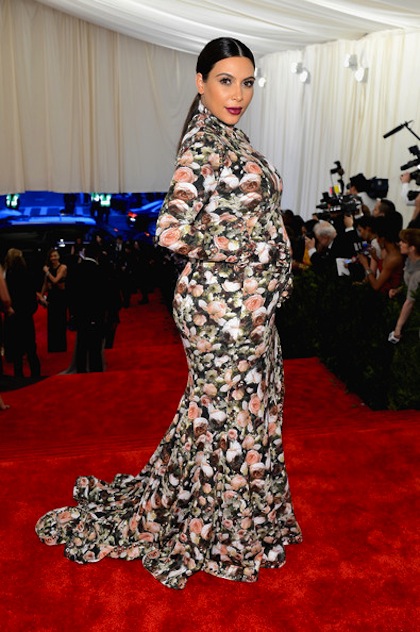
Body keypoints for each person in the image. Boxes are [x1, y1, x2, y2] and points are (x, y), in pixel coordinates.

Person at [35, 37, 302, 589]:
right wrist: (247, 253)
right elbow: (171, 230)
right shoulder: (202, 144)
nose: (238, 94)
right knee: (230, 420)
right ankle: (224, 533)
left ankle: (244, 520)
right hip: (221, 309)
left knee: (240, 414)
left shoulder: (231, 136)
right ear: (200, 82)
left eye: (247, 82)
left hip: (246, 306)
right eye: (225, 81)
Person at [67, 243, 107, 373]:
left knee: (82, 343)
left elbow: (71, 292)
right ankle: (95, 370)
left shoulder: (76, 269)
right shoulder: (100, 270)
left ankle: (81, 370)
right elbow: (104, 295)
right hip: (96, 312)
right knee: (95, 345)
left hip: (80, 312)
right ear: (97, 255)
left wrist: (72, 312)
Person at [3, 248, 41, 378]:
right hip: (26, 315)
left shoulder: (8, 275)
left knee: (16, 349)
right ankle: (35, 374)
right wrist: (30, 310)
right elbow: (31, 296)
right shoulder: (27, 274)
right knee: (31, 348)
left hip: (13, 315)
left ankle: (18, 375)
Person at [388, 228, 420, 342]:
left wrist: (398, 328)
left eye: (403, 242)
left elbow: (410, 302)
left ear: (412, 248)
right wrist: (398, 290)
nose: (400, 243)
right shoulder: (410, 261)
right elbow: (411, 286)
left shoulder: (418, 273)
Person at [38, 248, 68, 352]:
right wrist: (41, 296)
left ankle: (61, 346)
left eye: (55, 255)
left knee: (60, 320)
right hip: (52, 296)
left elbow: (55, 280)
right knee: (52, 321)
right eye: (52, 256)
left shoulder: (63, 267)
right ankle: (53, 346)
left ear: (59, 256)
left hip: (61, 297)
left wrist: (47, 272)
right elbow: (45, 284)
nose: (54, 258)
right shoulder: (49, 269)